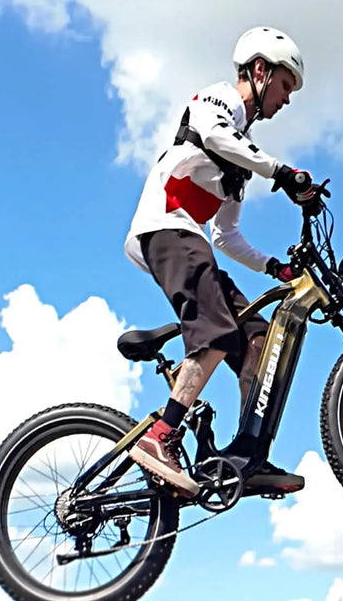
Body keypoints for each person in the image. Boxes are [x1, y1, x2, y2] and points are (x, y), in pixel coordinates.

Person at [123, 27, 322, 497]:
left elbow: (226, 235)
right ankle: (161, 435)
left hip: (192, 238)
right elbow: (213, 133)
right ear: (259, 71)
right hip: (163, 227)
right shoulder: (218, 102)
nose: (287, 99)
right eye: (285, 85)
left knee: (256, 338)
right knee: (215, 330)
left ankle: (248, 455)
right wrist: (282, 172)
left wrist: (276, 268)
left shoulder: (238, 157)